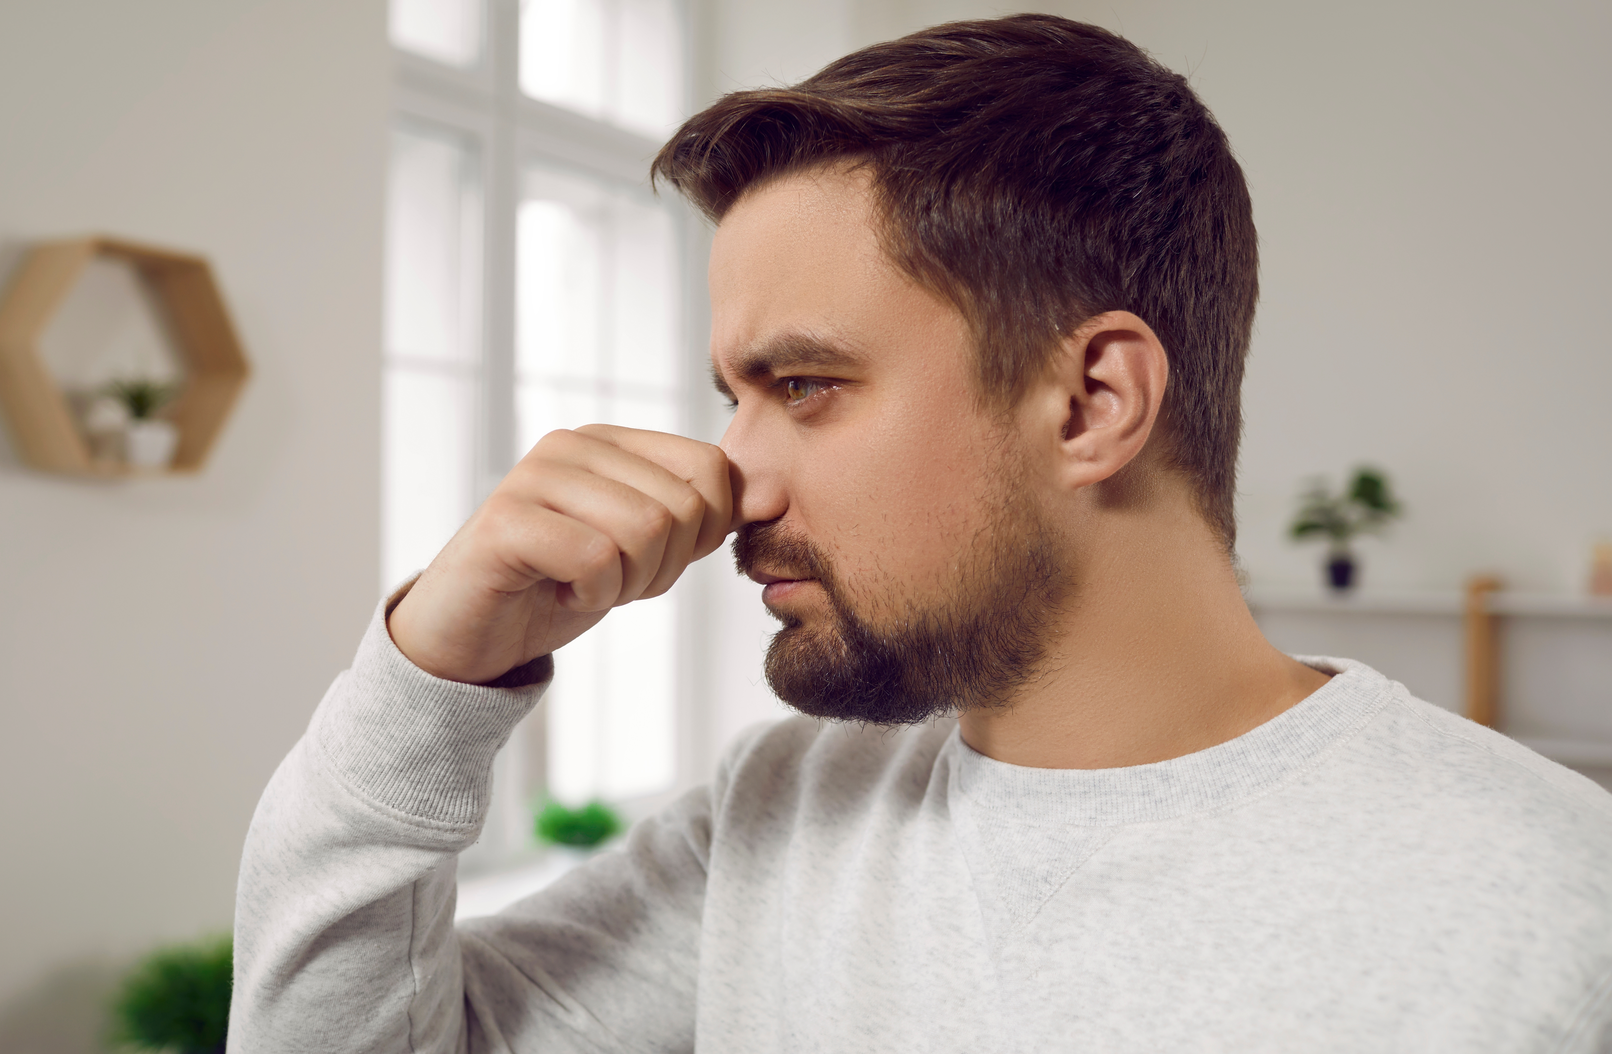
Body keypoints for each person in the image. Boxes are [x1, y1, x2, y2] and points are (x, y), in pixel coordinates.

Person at [230, 15, 1612, 1052]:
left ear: (1089, 400)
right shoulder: (775, 815)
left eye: (803, 386)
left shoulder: (1551, 907)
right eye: (731, 395)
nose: (732, 480)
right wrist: (431, 684)